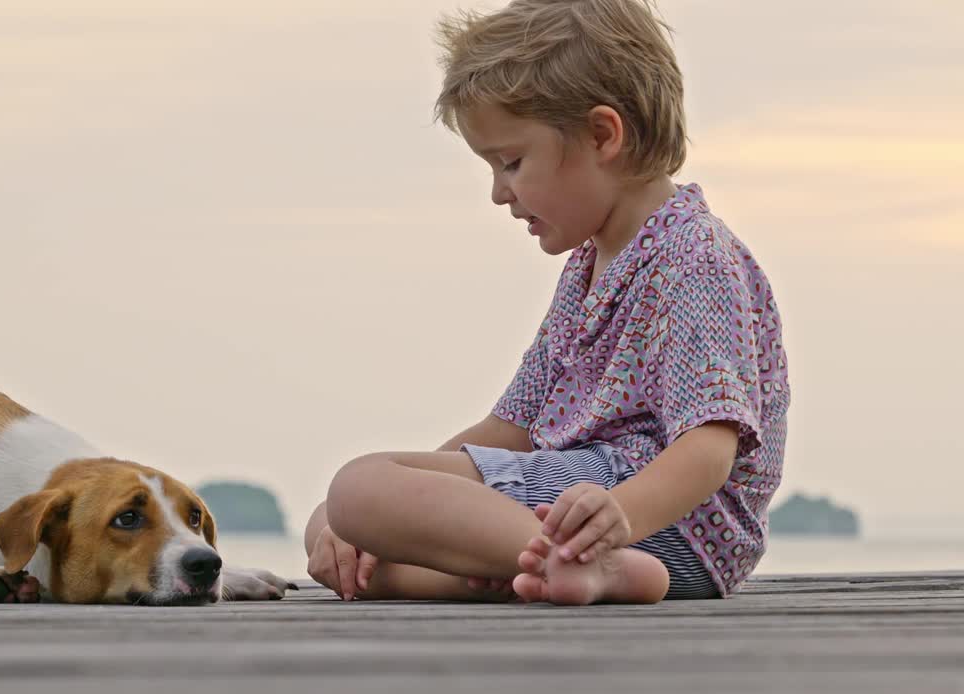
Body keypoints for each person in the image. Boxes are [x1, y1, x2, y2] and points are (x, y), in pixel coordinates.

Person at [303, 0, 790, 605]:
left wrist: (617, 519)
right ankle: (565, 572)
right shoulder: (591, 267)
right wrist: (364, 525)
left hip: (660, 520)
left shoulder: (693, 254)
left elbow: (711, 447)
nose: (498, 193)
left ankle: (595, 564)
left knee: (357, 489)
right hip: (591, 507)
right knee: (342, 536)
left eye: (511, 162)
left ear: (601, 135)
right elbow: (509, 430)